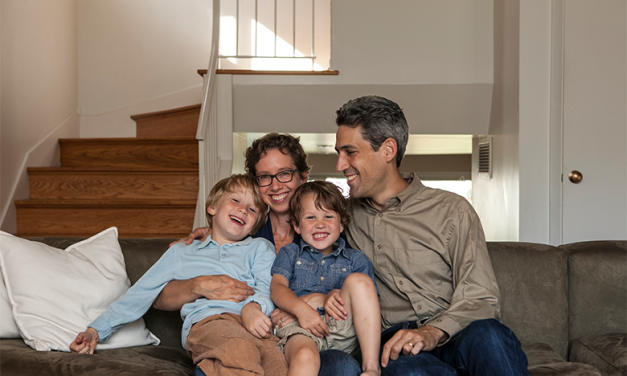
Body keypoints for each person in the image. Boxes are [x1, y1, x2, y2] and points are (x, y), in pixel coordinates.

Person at [334, 95, 529, 375]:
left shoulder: (452, 210)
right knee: (408, 371)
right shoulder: (340, 217)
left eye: (350, 152)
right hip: (399, 345)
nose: (340, 165)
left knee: (491, 336)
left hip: (458, 332)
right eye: (338, 153)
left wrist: (432, 332)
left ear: (388, 149)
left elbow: (481, 296)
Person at [155, 133, 363, 376]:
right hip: (251, 338)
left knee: (344, 366)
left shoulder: (325, 231)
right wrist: (199, 285)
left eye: (284, 173)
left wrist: (310, 301)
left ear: (303, 176)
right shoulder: (238, 232)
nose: (275, 186)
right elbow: (158, 297)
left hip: (307, 340)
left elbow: (349, 292)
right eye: (265, 177)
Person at [70, 174, 288, 376]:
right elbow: (139, 294)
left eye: (252, 210)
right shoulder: (181, 251)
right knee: (239, 349)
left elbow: (269, 288)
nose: (243, 210)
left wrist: (254, 307)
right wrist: (95, 331)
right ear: (212, 207)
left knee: (278, 362)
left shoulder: (260, 247)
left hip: (256, 324)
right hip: (210, 322)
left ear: (254, 227)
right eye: (236, 201)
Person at [270, 181, 381, 376]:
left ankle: (371, 368)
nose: (320, 224)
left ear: (341, 224)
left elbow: (367, 301)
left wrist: (337, 293)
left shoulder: (356, 259)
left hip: (343, 327)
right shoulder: (290, 253)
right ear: (296, 225)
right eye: (311, 217)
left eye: (328, 217)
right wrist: (301, 310)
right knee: (305, 356)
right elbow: (277, 287)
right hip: (300, 328)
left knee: (359, 281)